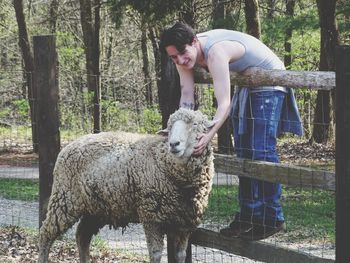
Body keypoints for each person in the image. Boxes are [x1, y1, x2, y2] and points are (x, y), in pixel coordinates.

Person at [159, 22, 303, 241]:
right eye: (173, 57)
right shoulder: (182, 58)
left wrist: (208, 135)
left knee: (261, 150)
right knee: (244, 153)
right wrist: (182, 131)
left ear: (194, 41)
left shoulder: (216, 51)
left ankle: (271, 217)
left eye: (182, 53)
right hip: (247, 83)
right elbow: (186, 98)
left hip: (269, 79)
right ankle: (248, 215)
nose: (179, 60)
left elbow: (223, 103)